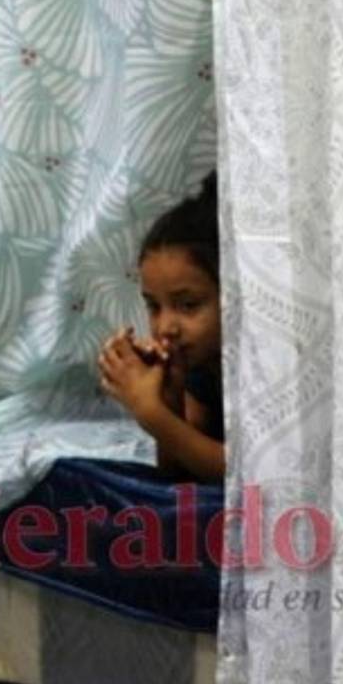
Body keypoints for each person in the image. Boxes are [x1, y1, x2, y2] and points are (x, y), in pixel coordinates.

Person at [98, 173, 224, 482]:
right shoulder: (201, 364)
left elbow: (242, 474)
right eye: (154, 306)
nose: (166, 327)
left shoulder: (261, 368)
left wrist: (150, 413)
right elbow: (177, 473)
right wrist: (170, 393)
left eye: (188, 305)